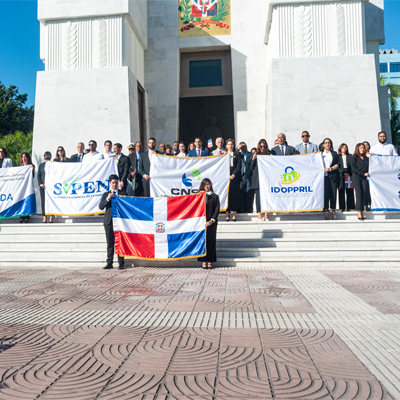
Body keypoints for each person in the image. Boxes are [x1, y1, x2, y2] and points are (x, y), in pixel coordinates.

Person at [99, 174, 125, 270]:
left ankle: (121, 263)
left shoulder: (123, 193)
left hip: (120, 223)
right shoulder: (106, 194)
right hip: (109, 222)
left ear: (118, 183)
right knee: (110, 244)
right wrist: (107, 199)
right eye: (113, 183)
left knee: (120, 242)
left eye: (116, 183)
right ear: (110, 183)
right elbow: (100, 206)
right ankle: (109, 263)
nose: (114, 184)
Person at [197, 178, 220, 269]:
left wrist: (211, 221)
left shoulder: (215, 196)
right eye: (205, 184)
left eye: (208, 184)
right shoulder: (199, 196)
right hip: (201, 223)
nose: (207, 186)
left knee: (211, 241)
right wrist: (200, 196)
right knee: (203, 241)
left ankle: (210, 261)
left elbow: (217, 210)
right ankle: (203, 261)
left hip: (212, 222)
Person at [250, 140, 270, 221]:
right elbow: (251, 169)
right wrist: (253, 160)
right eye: (261, 146)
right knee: (258, 197)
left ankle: (266, 213)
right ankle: (259, 213)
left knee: (267, 196)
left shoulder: (268, 155)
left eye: (264, 146)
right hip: (257, 179)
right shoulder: (256, 155)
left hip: (266, 179)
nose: (262, 148)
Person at [351, 143, 370, 220]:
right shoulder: (354, 158)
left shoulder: (366, 158)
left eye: (363, 147)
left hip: (364, 178)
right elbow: (354, 169)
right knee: (359, 194)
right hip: (357, 178)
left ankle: (363, 210)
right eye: (361, 147)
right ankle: (359, 212)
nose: (362, 149)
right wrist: (363, 173)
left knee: (364, 193)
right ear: (357, 149)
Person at [321, 138, 339, 220]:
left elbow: (338, 164)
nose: (327, 144)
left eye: (329, 143)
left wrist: (330, 168)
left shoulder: (334, 153)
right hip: (324, 176)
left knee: (333, 193)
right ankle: (326, 210)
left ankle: (333, 210)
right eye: (326, 143)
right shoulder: (320, 154)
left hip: (332, 175)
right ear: (323, 144)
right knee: (325, 193)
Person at [225, 139, 242, 222]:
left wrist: (234, 174)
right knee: (227, 195)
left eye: (232, 144)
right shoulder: (224, 155)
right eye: (229, 144)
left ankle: (234, 212)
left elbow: (239, 165)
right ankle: (227, 213)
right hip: (226, 175)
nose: (230, 146)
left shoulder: (237, 154)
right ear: (226, 146)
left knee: (234, 194)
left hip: (235, 175)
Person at [337, 143, 355, 212]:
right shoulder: (338, 156)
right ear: (340, 149)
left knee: (349, 190)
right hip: (341, 175)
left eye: (345, 147)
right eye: (343, 147)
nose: (344, 148)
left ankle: (350, 206)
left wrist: (349, 173)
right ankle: (342, 207)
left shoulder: (350, 156)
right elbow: (337, 165)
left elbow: (352, 165)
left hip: (349, 174)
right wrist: (342, 173)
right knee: (341, 190)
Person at [38, 151, 54, 223]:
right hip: (43, 186)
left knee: (52, 201)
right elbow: (38, 175)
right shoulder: (41, 165)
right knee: (43, 201)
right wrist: (40, 183)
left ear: (50, 156)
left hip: (51, 186)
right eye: (45, 155)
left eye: (48, 155)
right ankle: (44, 216)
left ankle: (51, 216)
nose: (46, 156)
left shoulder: (53, 164)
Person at [19, 152, 35, 223]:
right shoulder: (19, 167)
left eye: (25, 157)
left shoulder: (31, 166)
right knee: (20, 201)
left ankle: (27, 216)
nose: (23, 158)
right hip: (20, 187)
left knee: (27, 201)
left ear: (28, 158)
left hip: (28, 187)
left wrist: (32, 170)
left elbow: (33, 176)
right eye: (22, 157)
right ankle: (21, 216)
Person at [238, 142, 253, 213]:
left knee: (249, 192)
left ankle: (249, 208)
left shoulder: (251, 154)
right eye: (242, 146)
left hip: (248, 175)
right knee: (240, 192)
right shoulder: (238, 155)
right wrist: (238, 148)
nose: (243, 147)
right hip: (240, 176)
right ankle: (241, 208)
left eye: (244, 146)